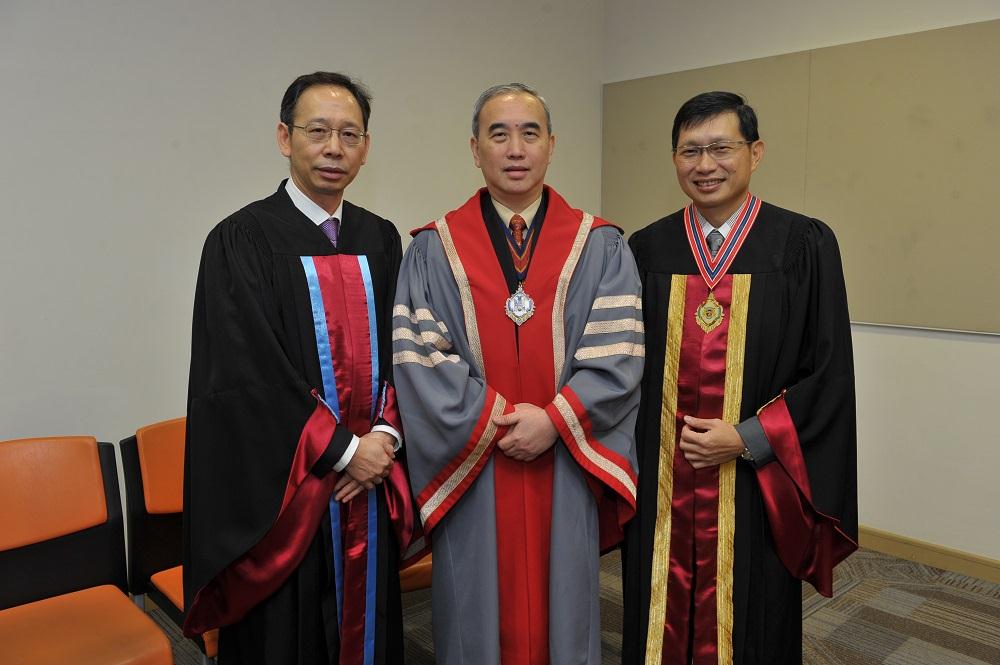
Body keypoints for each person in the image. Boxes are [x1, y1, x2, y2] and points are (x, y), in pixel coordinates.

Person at [392, 83, 643, 664]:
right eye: (498, 134)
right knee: (473, 609)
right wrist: (500, 423)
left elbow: (618, 354)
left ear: (551, 145)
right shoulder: (433, 248)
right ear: (474, 149)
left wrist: (554, 420)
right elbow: (422, 358)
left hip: (566, 460)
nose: (515, 149)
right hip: (475, 465)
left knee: (566, 608)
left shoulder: (600, 245)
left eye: (530, 133)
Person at [183, 71, 421, 665]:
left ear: (365, 147)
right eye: (318, 131)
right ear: (285, 138)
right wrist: (344, 451)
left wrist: (385, 437)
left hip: (369, 482)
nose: (334, 148)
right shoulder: (241, 239)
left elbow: (408, 348)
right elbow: (244, 373)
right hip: (290, 494)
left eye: (349, 134)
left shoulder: (381, 238)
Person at [622, 91, 858, 665]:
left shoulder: (802, 245)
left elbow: (827, 372)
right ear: (674, 159)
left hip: (756, 480)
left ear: (756, 152)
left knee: (753, 611)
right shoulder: (645, 249)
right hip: (662, 478)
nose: (705, 165)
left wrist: (749, 437)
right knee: (656, 605)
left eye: (721, 148)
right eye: (690, 151)